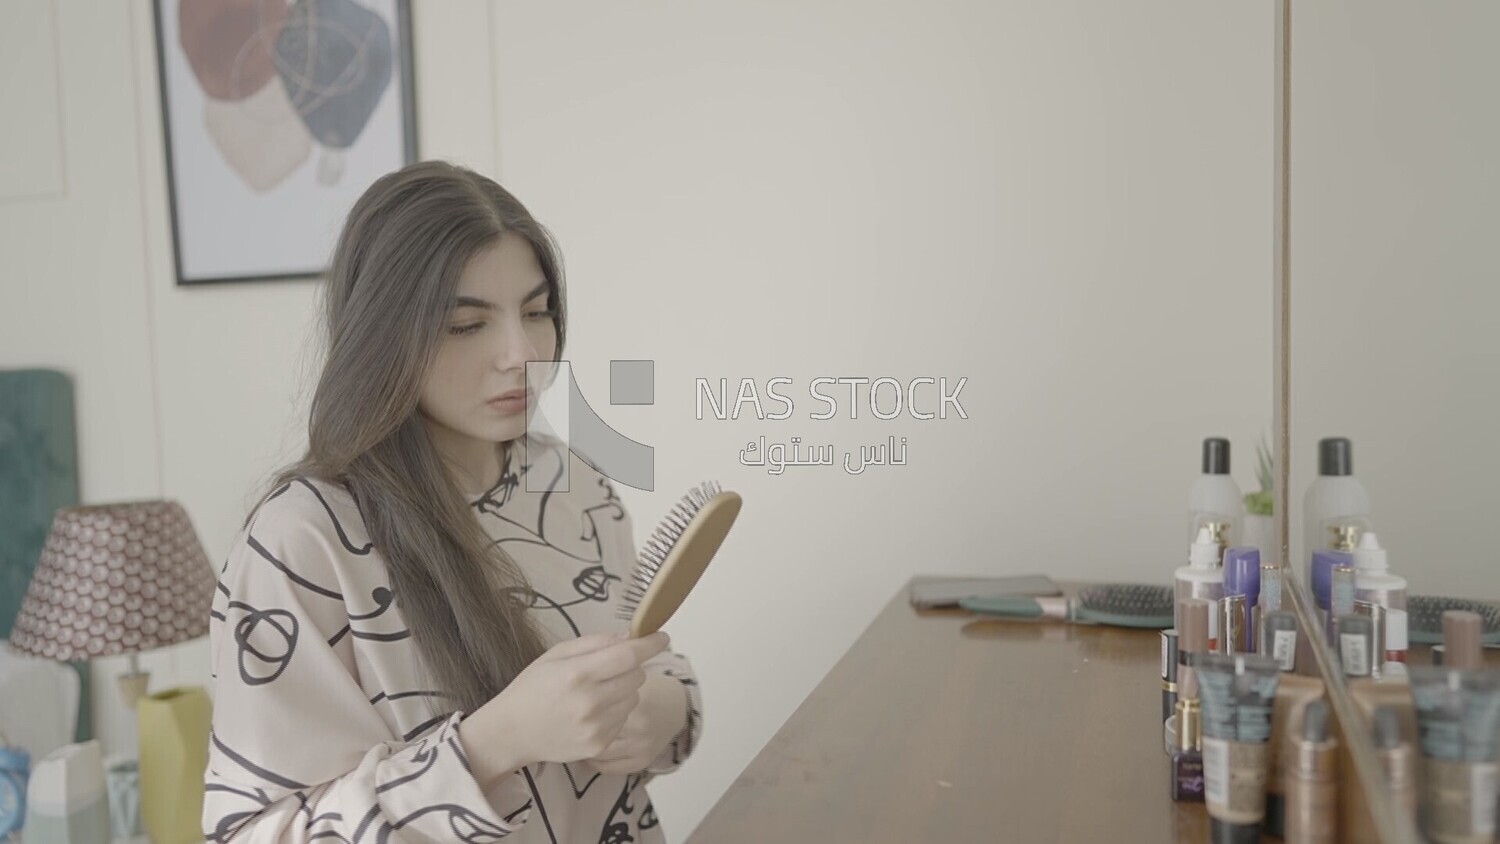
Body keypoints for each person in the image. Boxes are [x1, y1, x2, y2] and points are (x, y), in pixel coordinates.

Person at [203, 161, 703, 843]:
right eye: (467, 325)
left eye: (536, 312)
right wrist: (496, 743)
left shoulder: (575, 486)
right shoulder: (304, 542)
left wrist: (665, 708)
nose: (522, 353)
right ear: (382, 338)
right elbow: (253, 833)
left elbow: (639, 666)